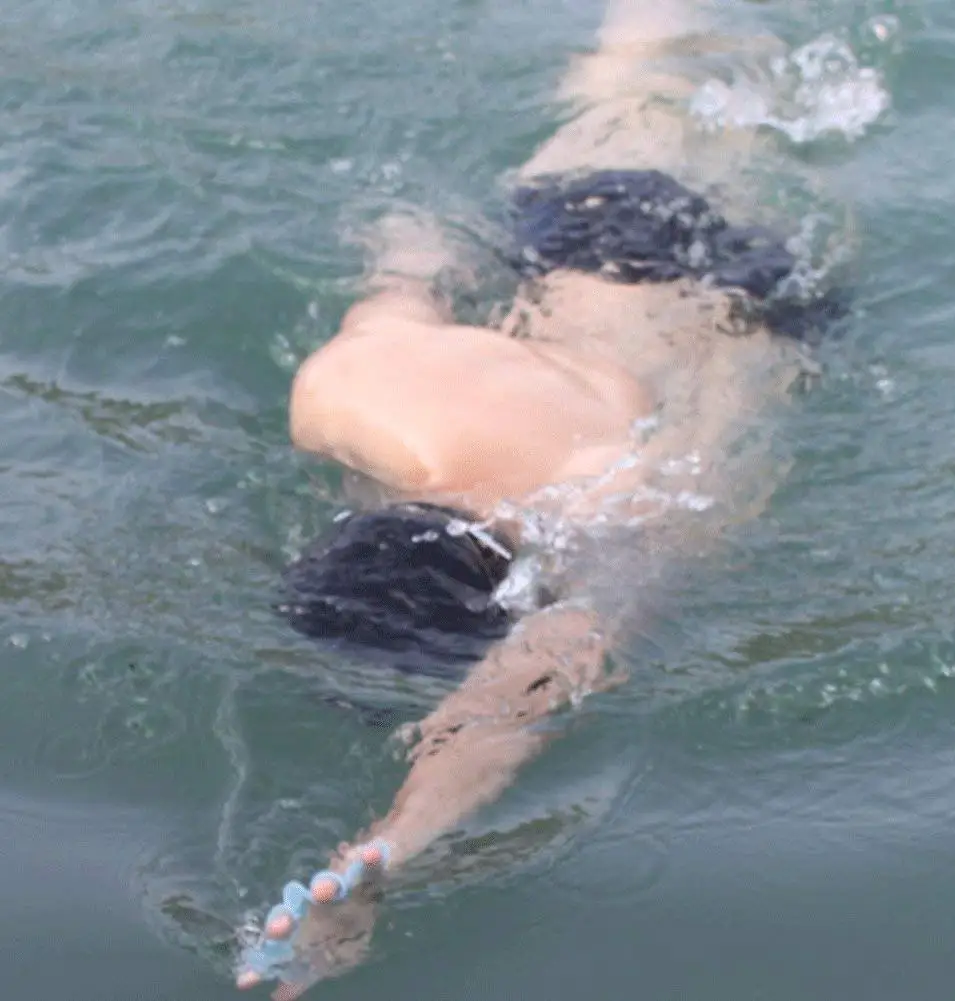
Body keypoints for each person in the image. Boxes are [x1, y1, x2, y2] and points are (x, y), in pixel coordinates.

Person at [236, 0, 845, 996]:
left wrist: (388, 844)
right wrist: (406, 240)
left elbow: (531, 683)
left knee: (773, 127)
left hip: (743, 300)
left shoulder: (615, 497)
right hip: (578, 222)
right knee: (629, 70)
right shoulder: (343, 391)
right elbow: (409, 262)